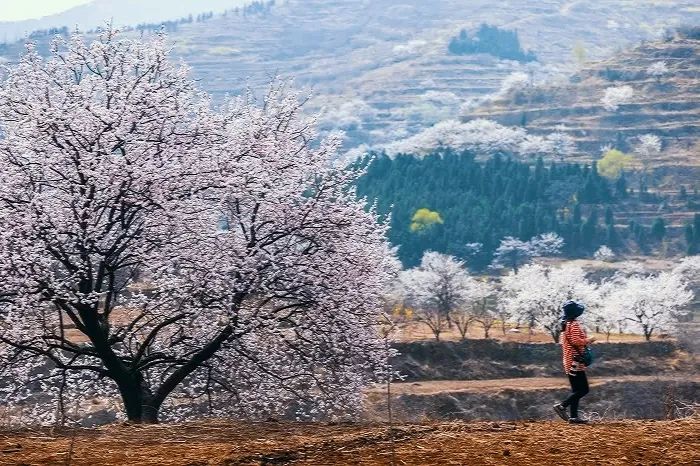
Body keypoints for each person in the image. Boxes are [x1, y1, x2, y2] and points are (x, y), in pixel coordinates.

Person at [553, 300, 596, 424]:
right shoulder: (574, 324)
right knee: (584, 390)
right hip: (576, 361)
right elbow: (576, 341)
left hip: (568, 360)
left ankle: (573, 417)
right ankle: (562, 406)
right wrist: (589, 340)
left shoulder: (565, 324)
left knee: (576, 390)